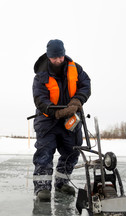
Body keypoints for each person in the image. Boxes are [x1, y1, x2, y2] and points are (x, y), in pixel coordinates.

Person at [32, 39, 91, 200]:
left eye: (61, 56)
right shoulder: (40, 76)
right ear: (49, 57)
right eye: (54, 57)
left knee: (72, 151)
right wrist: (55, 112)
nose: (58, 60)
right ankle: (42, 189)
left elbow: (86, 85)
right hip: (47, 121)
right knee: (44, 153)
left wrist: (77, 101)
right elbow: (39, 98)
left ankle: (62, 184)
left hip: (71, 119)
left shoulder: (76, 69)